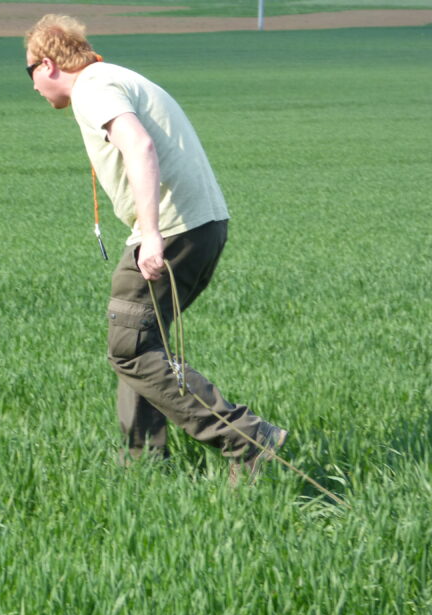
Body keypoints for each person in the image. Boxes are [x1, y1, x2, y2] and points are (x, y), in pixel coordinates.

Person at [24, 13, 286, 482]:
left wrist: (150, 232)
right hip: (200, 224)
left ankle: (248, 440)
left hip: (173, 228)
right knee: (142, 346)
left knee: (129, 349)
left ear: (48, 64)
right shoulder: (113, 77)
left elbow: (139, 145)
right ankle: (142, 467)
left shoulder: (92, 87)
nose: (33, 87)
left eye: (30, 74)